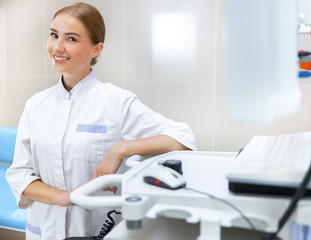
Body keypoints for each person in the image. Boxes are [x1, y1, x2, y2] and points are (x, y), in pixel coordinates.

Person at [6, 2, 197, 240]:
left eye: (71, 39)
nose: (57, 46)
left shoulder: (116, 102)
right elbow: (21, 174)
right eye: (54, 35)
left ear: (96, 50)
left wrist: (120, 148)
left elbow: (183, 138)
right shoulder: (35, 105)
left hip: (96, 231)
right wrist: (66, 197)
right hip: (43, 231)